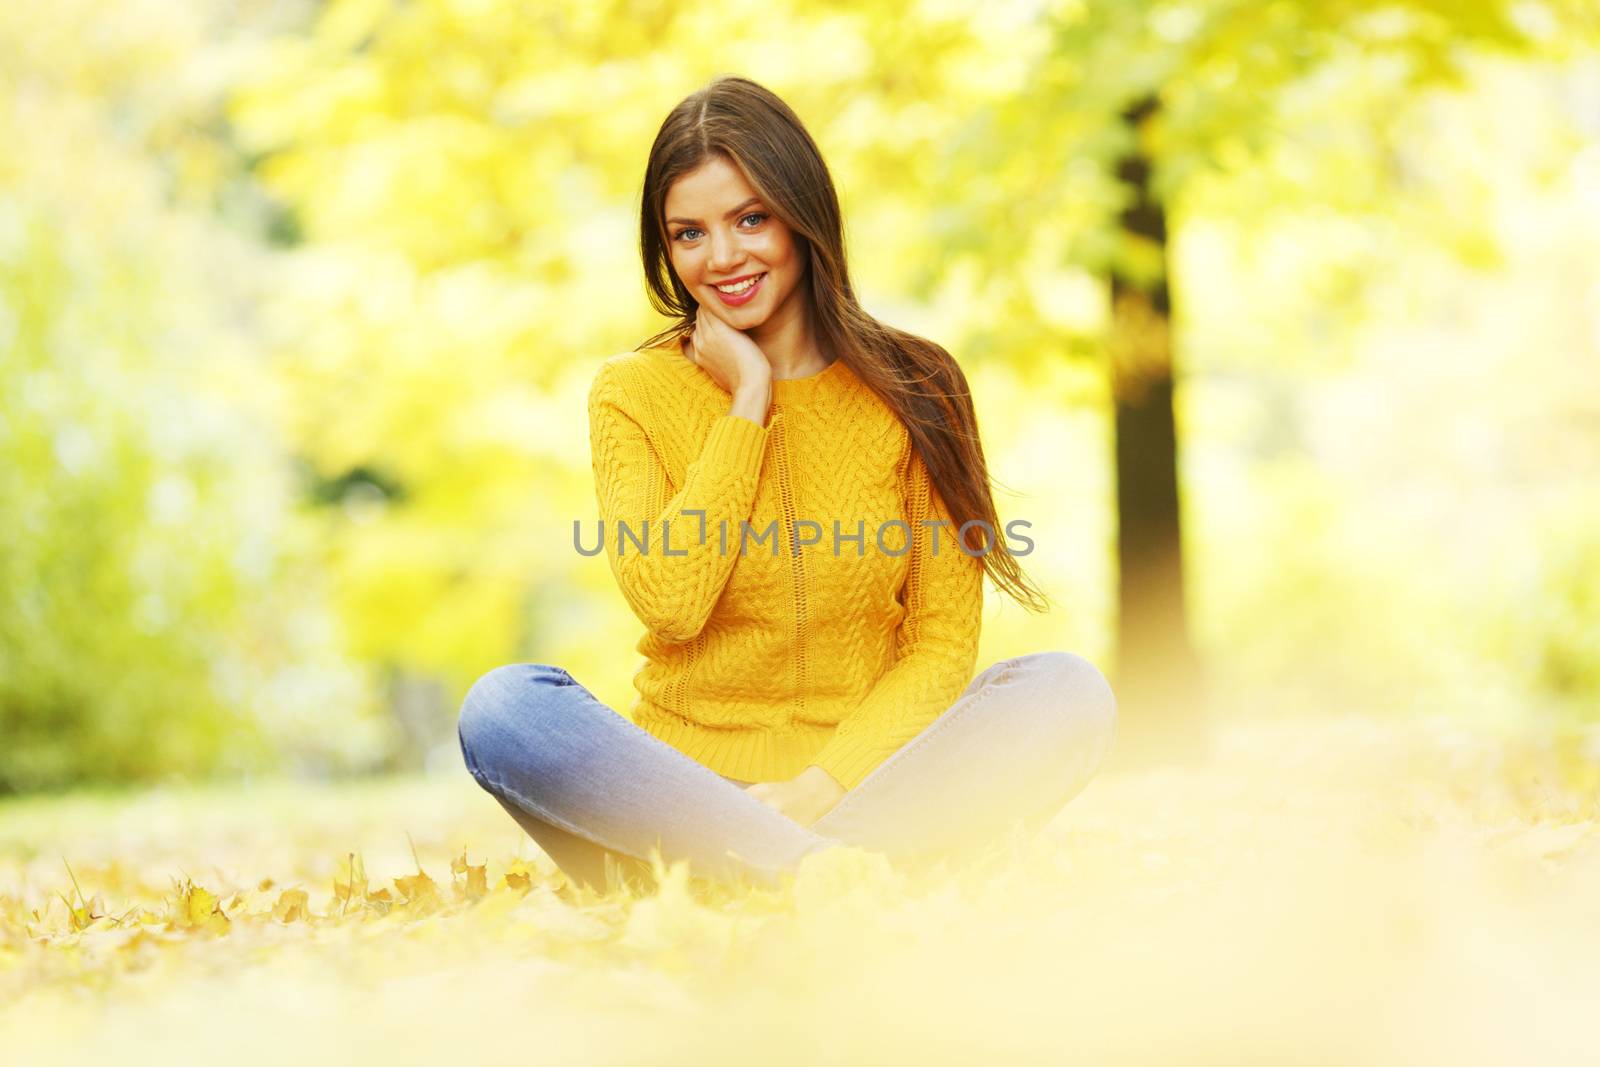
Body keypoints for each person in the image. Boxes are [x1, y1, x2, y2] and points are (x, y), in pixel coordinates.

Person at [457, 74, 1117, 893]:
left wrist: (822, 785)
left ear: (802, 215)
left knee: (1066, 690)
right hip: (681, 800)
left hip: (867, 787)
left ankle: (768, 880)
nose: (723, 257)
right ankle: (823, 881)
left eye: (749, 218)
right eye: (688, 233)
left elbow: (940, 645)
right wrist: (748, 402)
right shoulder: (631, 391)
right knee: (504, 706)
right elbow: (670, 599)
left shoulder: (918, 385)